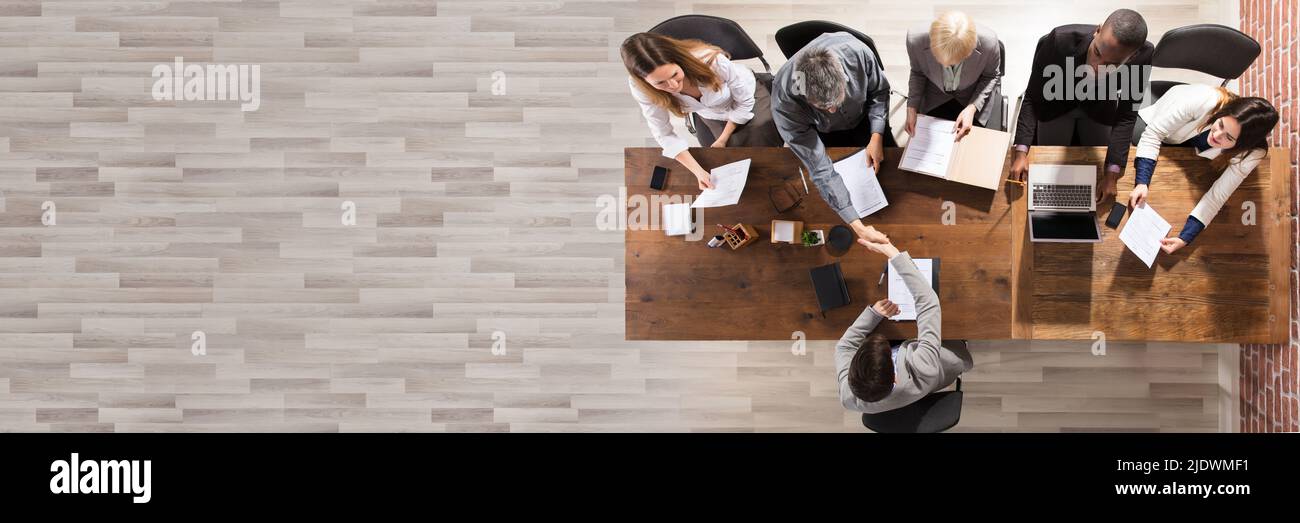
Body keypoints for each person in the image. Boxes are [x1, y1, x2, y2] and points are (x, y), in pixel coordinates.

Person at [1009, 9, 1153, 204]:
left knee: (1095, 169)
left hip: (1099, 107)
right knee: (1048, 165)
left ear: (1132, 56)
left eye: (1111, 64)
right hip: (1055, 104)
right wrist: (1021, 152)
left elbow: (1127, 114)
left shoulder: (1143, 56)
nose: (1096, 67)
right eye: (1097, 53)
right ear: (1098, 30)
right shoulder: (1059, 41)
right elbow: (1032, 97)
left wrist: (1111, 175)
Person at [835, 226, 974, 414]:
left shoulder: (848, 396)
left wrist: (873, 314)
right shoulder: (923, 368)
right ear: (895, 378)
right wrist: (892, 253)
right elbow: (929, 303)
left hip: (907, 353)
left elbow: (843, 347)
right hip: (940, 361)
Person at [771, 32, 893, 241]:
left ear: (843, 76)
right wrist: (856, 224)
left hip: (867, 118)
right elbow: (819, 168)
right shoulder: (784, 103)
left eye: (837, 100)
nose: (833, 110)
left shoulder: (858, 53)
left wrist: (876, 136)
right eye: (823, 106)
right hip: (822, 133)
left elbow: (879, 92)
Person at [1127, 84, 1278, 254]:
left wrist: (1186, 237)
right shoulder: (1203, 99)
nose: (1216, 135)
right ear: (1223, 113)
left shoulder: (1252, 152)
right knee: (1133, 143)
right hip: (1164, 124)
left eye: (1228, 137)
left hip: (1190, 148)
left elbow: (1218, 195)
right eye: (1220, 124)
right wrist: (1142, 182)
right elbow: (1153, 134)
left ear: (1242, 144)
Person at [622, 32, 782, 191]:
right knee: (726, 158)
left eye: (675, 75)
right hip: (710, 112)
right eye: (660, 83)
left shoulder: (711, 60)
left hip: (746, 96)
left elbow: (744, 102)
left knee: (764, 145)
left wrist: (722, 138)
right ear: (645, 81)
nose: (672, 86)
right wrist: (698, 173)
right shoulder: (641, 88)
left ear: (678, 60)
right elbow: (663, 134)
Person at [904, 11, 1002, 140]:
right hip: (935, 96)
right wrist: (911, 107)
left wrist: (972, 108)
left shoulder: (989, 42)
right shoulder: (915, 40)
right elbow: (918, 72)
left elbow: (991, 76)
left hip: (972, 96)